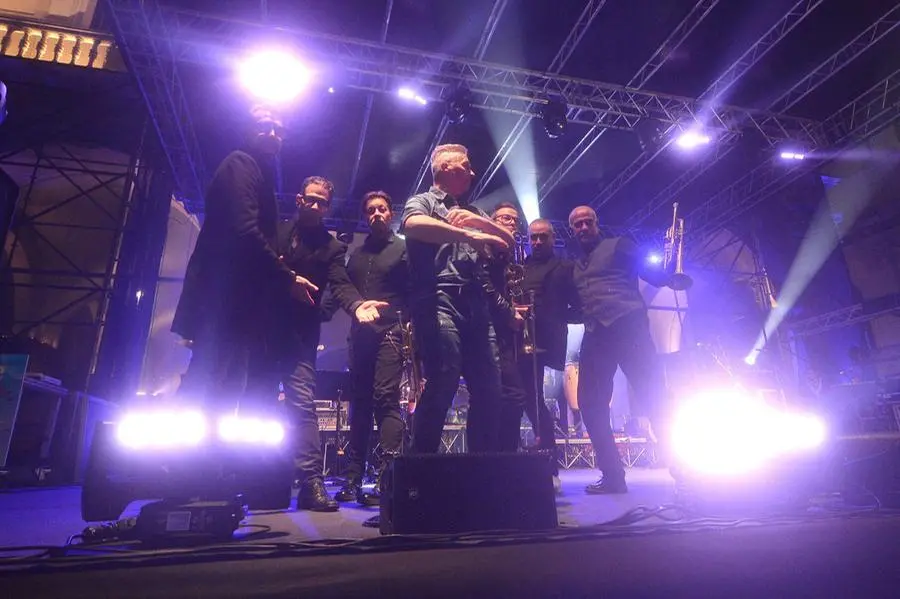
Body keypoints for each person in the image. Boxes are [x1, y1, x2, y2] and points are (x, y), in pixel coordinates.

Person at [173, 106, 313, 412]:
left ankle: (205, 457)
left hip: (233, 302)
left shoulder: (254, 170)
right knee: (211, 382)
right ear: (247, 130)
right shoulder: (241, 164)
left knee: (223, 383)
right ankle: (182, 459)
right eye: (265, 126)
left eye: (280, 129)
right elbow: (243, 231)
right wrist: (286, 277)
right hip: (224, 300)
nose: (274, 134)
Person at [275, 176, 388, 512]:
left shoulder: (332, 247)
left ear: (328, 207)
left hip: (299, 337)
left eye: (322, 202)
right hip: (261, 332)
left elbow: (340, 284)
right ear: (298, 199)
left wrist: (356, 305)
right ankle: (249, 475)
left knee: (302, 404)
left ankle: (311, 482)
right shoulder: (275, 232)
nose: (315, 206)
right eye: (310, 199)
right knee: (251, 402)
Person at [400, 144, 513, 453]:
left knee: (490, 389)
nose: (473, 173)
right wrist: (468, 235)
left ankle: (480, 469)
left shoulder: (473, 211)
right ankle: (421, 471)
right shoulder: (422, 201)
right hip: (438, 297)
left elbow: (508, 241)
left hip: (476, 303)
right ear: (447, 168)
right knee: (443, 380)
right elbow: (412, 225)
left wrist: (481, 222)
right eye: (467, 166)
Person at [568, 205, 669, 495]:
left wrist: (669, 275)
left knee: (655, 397)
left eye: (588, 222)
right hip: (596, 334)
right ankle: (613, 476)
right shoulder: (575, 265)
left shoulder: (620, 245)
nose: (583, 228)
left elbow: (653, 273)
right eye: (578, 224)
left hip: (629, 329)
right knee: (589, 404)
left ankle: (686, 472)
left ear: (597, 224)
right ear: (573, 229)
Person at [491, 209, 577, 492]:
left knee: (533, 402)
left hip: (542, 342)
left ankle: (549, 466)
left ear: (553, 239)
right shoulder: (521, 266)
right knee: (517, 400)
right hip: (515, 340)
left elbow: (576, 303)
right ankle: (509, 461)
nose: (537, 242)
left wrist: (557, 318)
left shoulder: (564, 267)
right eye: (533, 238)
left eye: (542, 238)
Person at [335, 191, 408, 506]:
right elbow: (342, 289)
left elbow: (418, 290)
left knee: (385, 400)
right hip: (360, 336)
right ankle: (352, 478)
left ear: (390, 213)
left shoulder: (404, 249)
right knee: (359, 406)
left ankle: (386, 477)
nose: (376, 214)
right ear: (365, 216)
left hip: (391, 332)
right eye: (370, 210)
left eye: (381, 209)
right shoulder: (357, 255)